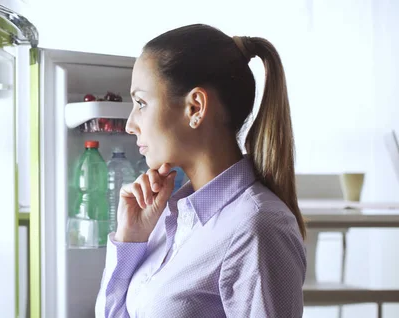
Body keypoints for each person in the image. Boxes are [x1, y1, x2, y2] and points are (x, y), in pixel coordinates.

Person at [95, 24, 306, 317]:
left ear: (195, 108)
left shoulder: (257, 227)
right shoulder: (170, 217)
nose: (130, 124)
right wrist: (131, 239)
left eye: (141, 103)